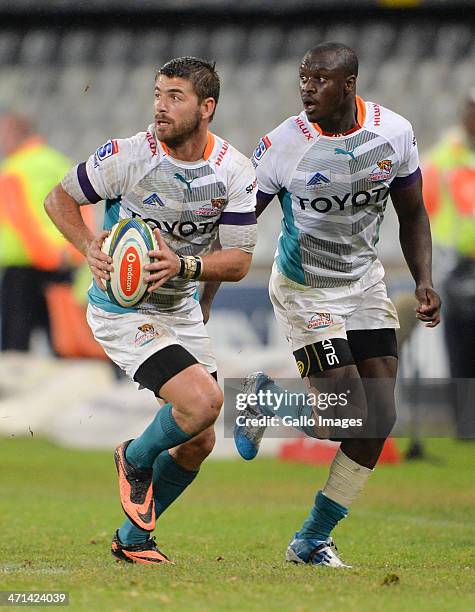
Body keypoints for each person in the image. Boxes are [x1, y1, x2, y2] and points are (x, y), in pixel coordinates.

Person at [202, 42, 441, 567]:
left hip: (364, 286)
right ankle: (263, 402)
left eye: (319, 80)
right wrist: (207, 291)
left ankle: (311, 539)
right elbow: (240, 227)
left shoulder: (393, 133)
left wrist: (423, 279)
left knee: (379, 420)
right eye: (303, 79)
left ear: (348, 85)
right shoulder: (284, 145)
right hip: (305, 289)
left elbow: (414, 213)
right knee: (347, 416)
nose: (307, 89)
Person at [45, 57, 257, 565]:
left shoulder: (233, 170)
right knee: (203, 402)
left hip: (179, 306)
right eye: (158, 94)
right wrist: (89, 246)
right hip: (121, 308)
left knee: (199, 441)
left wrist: (186, 269)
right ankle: (135, 457)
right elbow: (57, 200)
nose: (160, 106)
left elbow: (240, 261)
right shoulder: (126, 155)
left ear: (207, 107)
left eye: (175, 96)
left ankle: (133, 539)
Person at [0, 113, 84, 351]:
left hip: (24, 268)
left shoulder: (13, 169)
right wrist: (74, 250)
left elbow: (21, 221)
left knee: (15, 346)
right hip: (62, 262)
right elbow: (82, 207)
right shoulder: (58, 161)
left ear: (16, 134)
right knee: (64, 341)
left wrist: (46, 256)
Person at [423, 91, 475, 438]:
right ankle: (467, 426)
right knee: (461, 348)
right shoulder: (445, 157)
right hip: (457, 265)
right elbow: (420, 204)